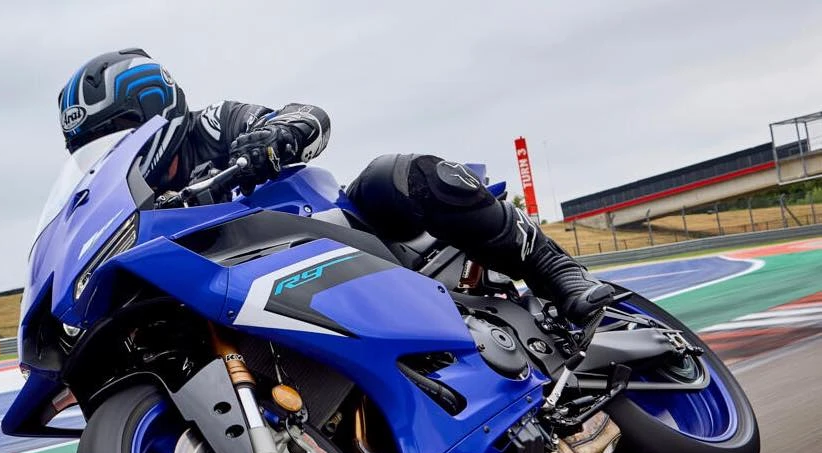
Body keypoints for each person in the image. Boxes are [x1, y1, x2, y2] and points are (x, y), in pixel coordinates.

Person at [56, 48, 614, 323]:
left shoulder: (214, 125)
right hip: (237, 291)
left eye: (116, 133)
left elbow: (305, 116)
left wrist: (271, 139)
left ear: (154, 108)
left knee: (397, 175)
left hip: (322, 231)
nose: (110, 152)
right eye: (93, 149)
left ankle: (555, 270)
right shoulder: (131, 202)